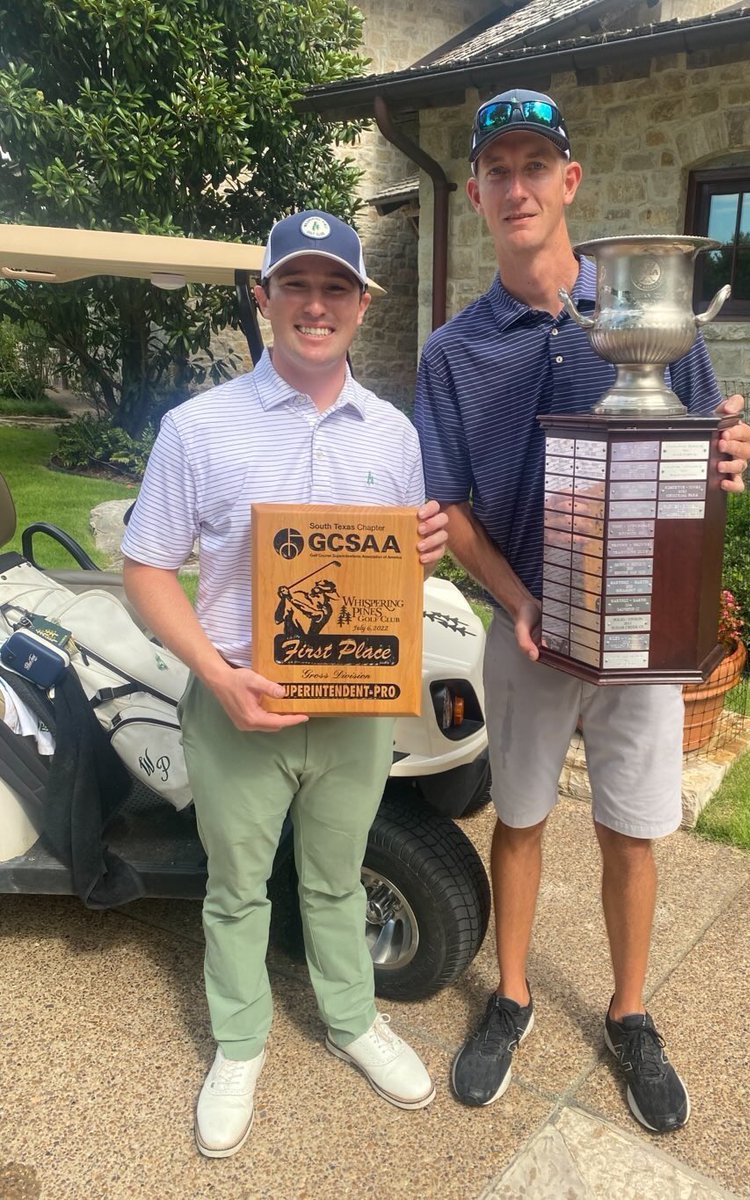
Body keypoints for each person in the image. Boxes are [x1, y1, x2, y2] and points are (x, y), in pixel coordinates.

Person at [414, 90, 750, 1133]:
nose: (517, 186)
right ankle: (513, 997)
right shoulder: (452, 351)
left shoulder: (645, 309)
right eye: (498, 170)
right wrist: (516, 601)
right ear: (475, 192)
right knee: (519, 815)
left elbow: (700, 446)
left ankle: (630, 1013)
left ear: (572, 182)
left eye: (536, 165)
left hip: (640, 636)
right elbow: (450, 508)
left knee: (632, 830)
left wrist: (728, 458)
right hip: (527, 630)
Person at [122, 211, 446, 1158]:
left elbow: (386, 582)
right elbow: (147, 569)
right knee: (235, 889)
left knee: (337, 880)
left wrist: (422, 556)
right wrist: (218, 677)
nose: (315, 305)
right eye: (295, 286)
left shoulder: (393, 436)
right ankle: (239, 1043)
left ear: (359, 305)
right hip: (237, 707)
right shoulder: (197, 427)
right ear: (264, 298)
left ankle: (352, 1021)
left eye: (334, 287)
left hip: (353, 717)